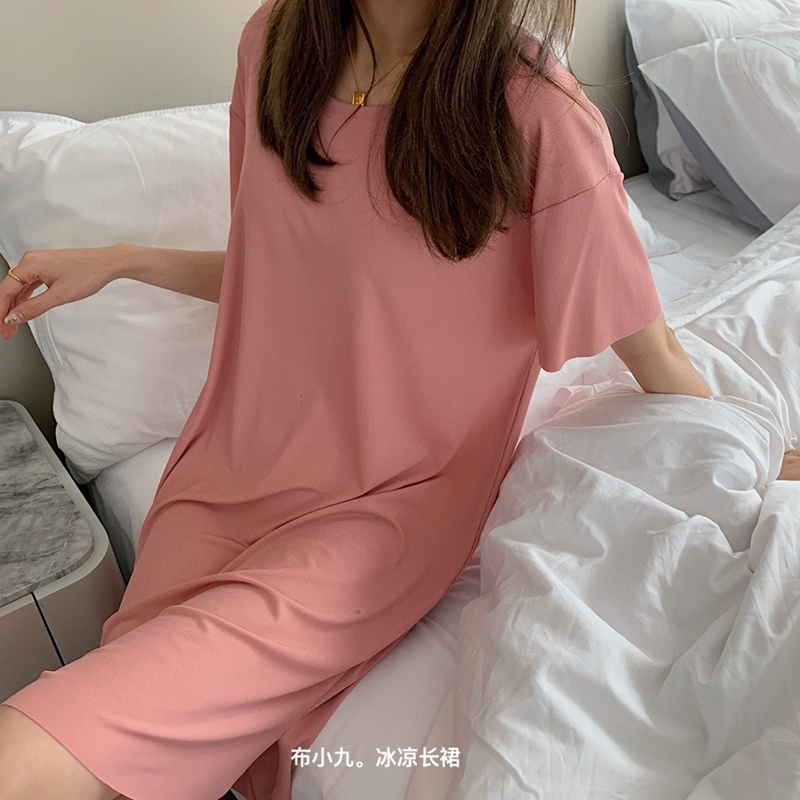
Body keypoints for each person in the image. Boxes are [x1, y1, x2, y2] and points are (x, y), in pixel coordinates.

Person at [0, 1, 798, 799]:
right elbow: (276, 267)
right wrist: (123, 261)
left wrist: (755, 462)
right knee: (127, 709)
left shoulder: (536, 112)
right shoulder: (273, 43)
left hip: (384, 511)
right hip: (228, 466)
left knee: (52, 743)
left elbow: (653, 350)